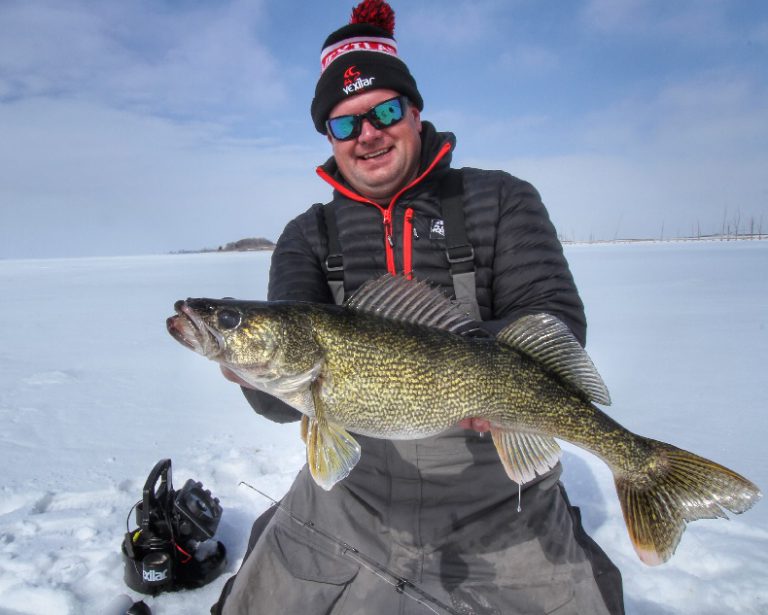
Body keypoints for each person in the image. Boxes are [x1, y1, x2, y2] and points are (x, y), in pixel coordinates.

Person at [213, 1, 624, 613]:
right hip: (352, 500)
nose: (368, 134)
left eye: (383, 111)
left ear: (414, 109)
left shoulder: (501, 199)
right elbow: (279, 398)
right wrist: (251, 374)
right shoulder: (307, 236)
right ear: (328, 137)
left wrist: (476, 380)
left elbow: (553, 318)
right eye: (345, 124)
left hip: (503, 506)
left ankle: (642, 468)